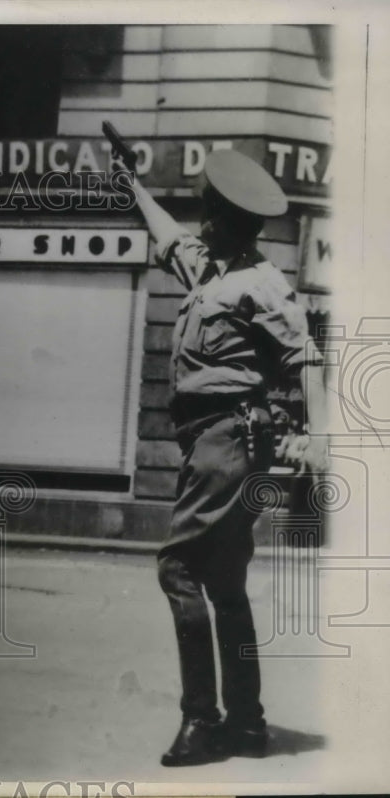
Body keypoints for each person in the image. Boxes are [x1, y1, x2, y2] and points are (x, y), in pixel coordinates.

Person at [124, 149, 329, 766]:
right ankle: (247, 724)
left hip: (230, 438)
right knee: (225, 583)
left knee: (178, 567)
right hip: (214, 442)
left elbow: (307, 358)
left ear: (237, 223)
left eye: (213, 214)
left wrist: (321, 438)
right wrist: (130, 184)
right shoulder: (210, 271)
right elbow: (166, 235)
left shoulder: (260, 282)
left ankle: (201, 720)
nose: (203, 223)